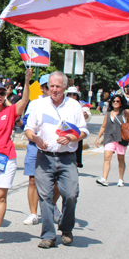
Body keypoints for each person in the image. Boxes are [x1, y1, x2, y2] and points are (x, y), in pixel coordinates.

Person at [25, 71, 88, 248]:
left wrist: (71, 138)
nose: (54, 89)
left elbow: (84, 131)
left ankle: (66, 228)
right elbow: (29, 128)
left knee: (70, 194)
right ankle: (48, 235)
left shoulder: (74, 105)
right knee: (45, 197)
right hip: (44, 158)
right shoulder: (39, 105)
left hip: (67, 157)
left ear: (64, 87)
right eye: (51, 86)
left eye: (57, 86)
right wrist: (35, 138)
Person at [0, 69, 32, 246]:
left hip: (5, 158)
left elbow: (24, 101)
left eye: (2, 93)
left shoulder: (10, 111)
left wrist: (26, 81)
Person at [22, 74, 50, 225]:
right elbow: (26, 124)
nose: (50, 89)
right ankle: (33, 213)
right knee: (32, 180)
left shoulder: (63, 104)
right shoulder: (34, 103)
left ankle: (51, 209)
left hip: (54, 147)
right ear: (41, 88)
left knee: (55, 182)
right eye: (47, 86)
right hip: (35, 145)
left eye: (53, 86)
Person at [95, 94, 129, 187]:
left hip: (121, 139)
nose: (115, 103)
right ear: (111, 102)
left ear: (121, 103)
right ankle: (104, 179)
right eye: (114, 101)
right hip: (109, 138)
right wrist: (98, 137)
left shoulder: (124, 112)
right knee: (107, 158)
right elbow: (103, 126)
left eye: (118, 101)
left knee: (120, 159)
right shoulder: (108, 114)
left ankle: (121, 179)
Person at [65, 86, 91, 168]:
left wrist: (85, 115)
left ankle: (75, 165)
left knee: (77, 149)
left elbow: (88, 115)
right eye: (70, 94)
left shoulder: (81, 105)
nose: (72, 96)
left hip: (77, 131)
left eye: (74, 95)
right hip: (66, 130)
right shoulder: (64, 104)